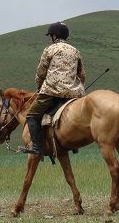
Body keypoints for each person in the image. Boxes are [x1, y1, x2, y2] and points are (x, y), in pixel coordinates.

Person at [23, 21, 86, 155]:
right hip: (74, 94)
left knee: (31, 115)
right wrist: (79, 88)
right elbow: (82, 74)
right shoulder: (75, 51)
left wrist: (40, 88)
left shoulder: (49, 50)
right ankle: (73, 143)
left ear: (54, 36)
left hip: (51, 91)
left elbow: (41, 73)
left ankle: (36, 147)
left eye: (50, 35)